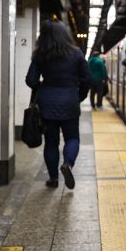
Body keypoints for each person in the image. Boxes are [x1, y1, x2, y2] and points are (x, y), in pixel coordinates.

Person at [26, 20, 91, 189]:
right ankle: (67, 164)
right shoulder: (76, 53)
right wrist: (79, 96)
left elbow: (31, 80)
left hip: (47, 105)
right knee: (72, 138)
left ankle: (53, 179)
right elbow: (87, 79)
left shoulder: (40, 54)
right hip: (70, 101)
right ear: (65, 35)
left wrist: (43, 88)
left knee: (51, 142)